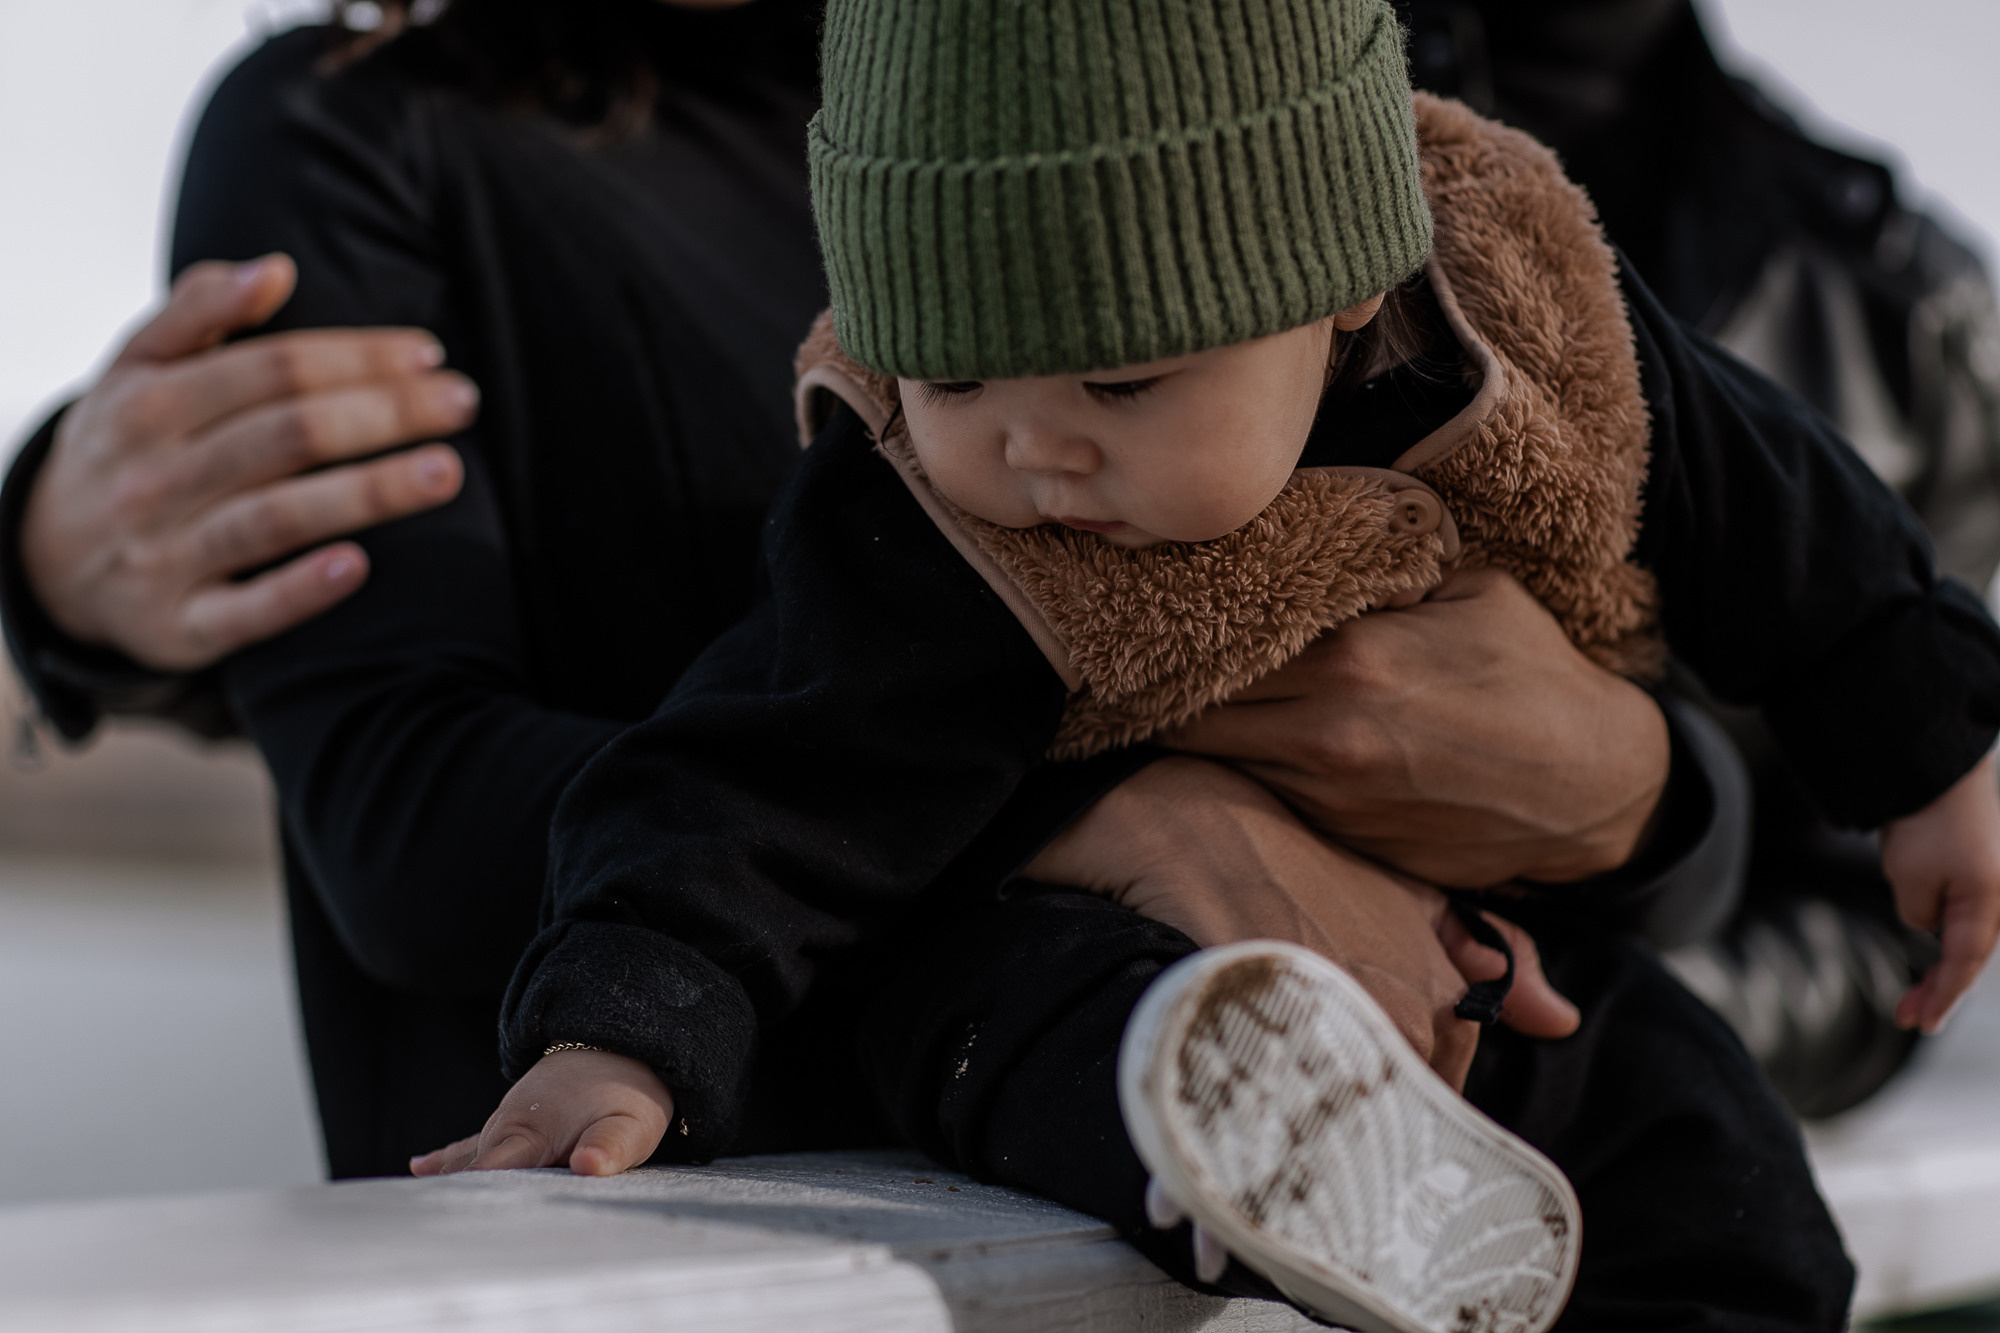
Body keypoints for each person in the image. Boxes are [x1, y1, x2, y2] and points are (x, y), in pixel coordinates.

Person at [415, 2, 2000, 1324]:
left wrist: (1934, 748)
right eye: (953, 372)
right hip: (1100, 954)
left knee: (1705, 1146)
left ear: (1341, 296)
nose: (1035, 445)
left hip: (1491, 952)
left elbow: (1779, 512)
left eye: (1125, 378)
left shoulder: (1512, 326)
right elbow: (750, 778)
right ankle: (1251, 1141)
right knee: (1009, 1002)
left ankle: (1474, 1195)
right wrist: (616, 1032)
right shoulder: (926, 517)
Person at [0, 0, 1698, 1182]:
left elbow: (1664, 678)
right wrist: (1114, 813)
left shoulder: (1189, 90)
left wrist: (1652, 797)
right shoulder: (364, 134)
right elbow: (413, 826)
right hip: (680, 1238)